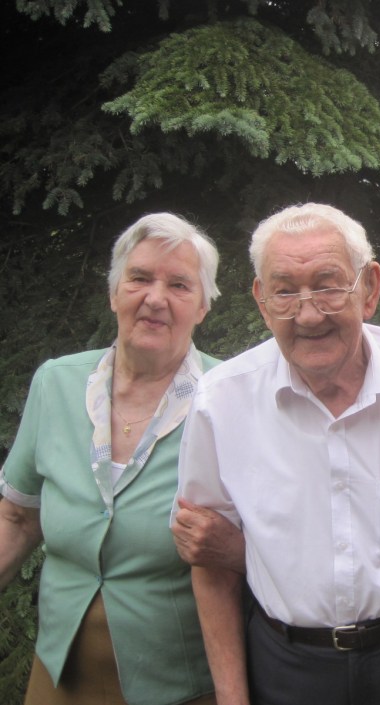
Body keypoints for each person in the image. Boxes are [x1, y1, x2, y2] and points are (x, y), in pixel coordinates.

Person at [174, 203, 380, 705]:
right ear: (262, 301)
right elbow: (208, 565)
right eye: (285, 290)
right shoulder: (220, 400)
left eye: (329, 284)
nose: (308, 313)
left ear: (370, 288)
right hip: (288, 670)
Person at [0, 213, 221, 705]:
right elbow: (16, 518)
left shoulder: (230, 398)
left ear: (203, 306)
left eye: (179, 285)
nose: (155, 298)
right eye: (139, 278)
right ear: (114, 293)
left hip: (180, 686)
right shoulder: (55, 383)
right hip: (59, 676)